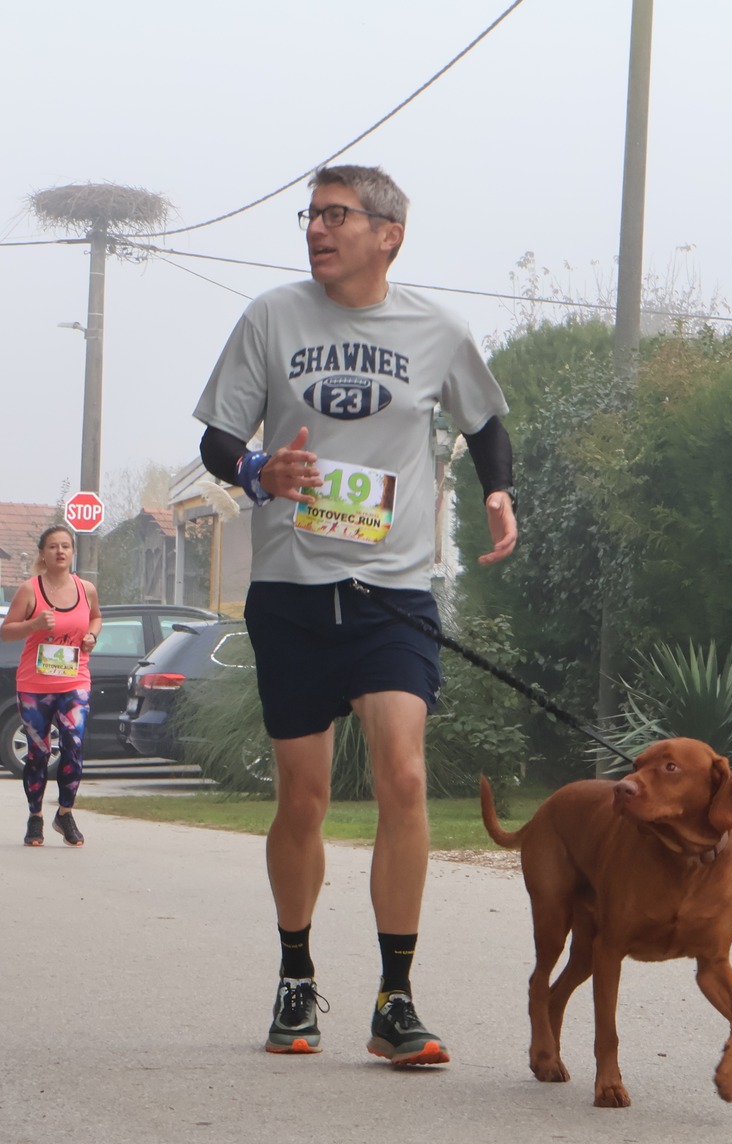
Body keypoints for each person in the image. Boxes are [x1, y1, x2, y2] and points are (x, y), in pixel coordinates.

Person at [193, 165, 519, 1064]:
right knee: (303, 796)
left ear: (389, 234)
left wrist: (500, 494)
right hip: (292, 592)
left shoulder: (436, 328)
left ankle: (395, 998)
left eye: (335, 215)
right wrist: (259, 471)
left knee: (404, 778)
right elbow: (219, 438)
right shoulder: (271, 318)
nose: (316, 230)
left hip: (393, 594)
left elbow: (486, 420)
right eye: (311, 215)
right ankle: (296, 974)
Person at [2, 527, 103, 848]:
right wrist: (33, 625)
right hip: (35, 683)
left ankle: (65, 812)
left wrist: (92, 637)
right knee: (39, 752)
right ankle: (35, 818)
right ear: (42, 553)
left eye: (66, 547)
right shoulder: (30, 590)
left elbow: (96, 618)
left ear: (72, 552)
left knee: (73, 743)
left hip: (75, 679)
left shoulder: (86, 589)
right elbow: (7, 632)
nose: (60, 552)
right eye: (53, 547)